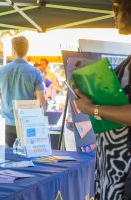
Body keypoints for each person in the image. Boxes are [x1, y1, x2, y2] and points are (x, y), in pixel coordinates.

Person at [74, 0, 131, 199]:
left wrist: (93, 108)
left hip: (125, 173)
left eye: (117, 4)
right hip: (114, 172)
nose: (113, 12)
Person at [0, 36, 45, 147]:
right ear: (27, 49)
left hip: (6, 122)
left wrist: (7, 96)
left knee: (8, 157)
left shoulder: (1, 71)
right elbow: (41, 101)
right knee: (27, 157)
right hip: (27, 122)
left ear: (13, 50)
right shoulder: (35, 72)